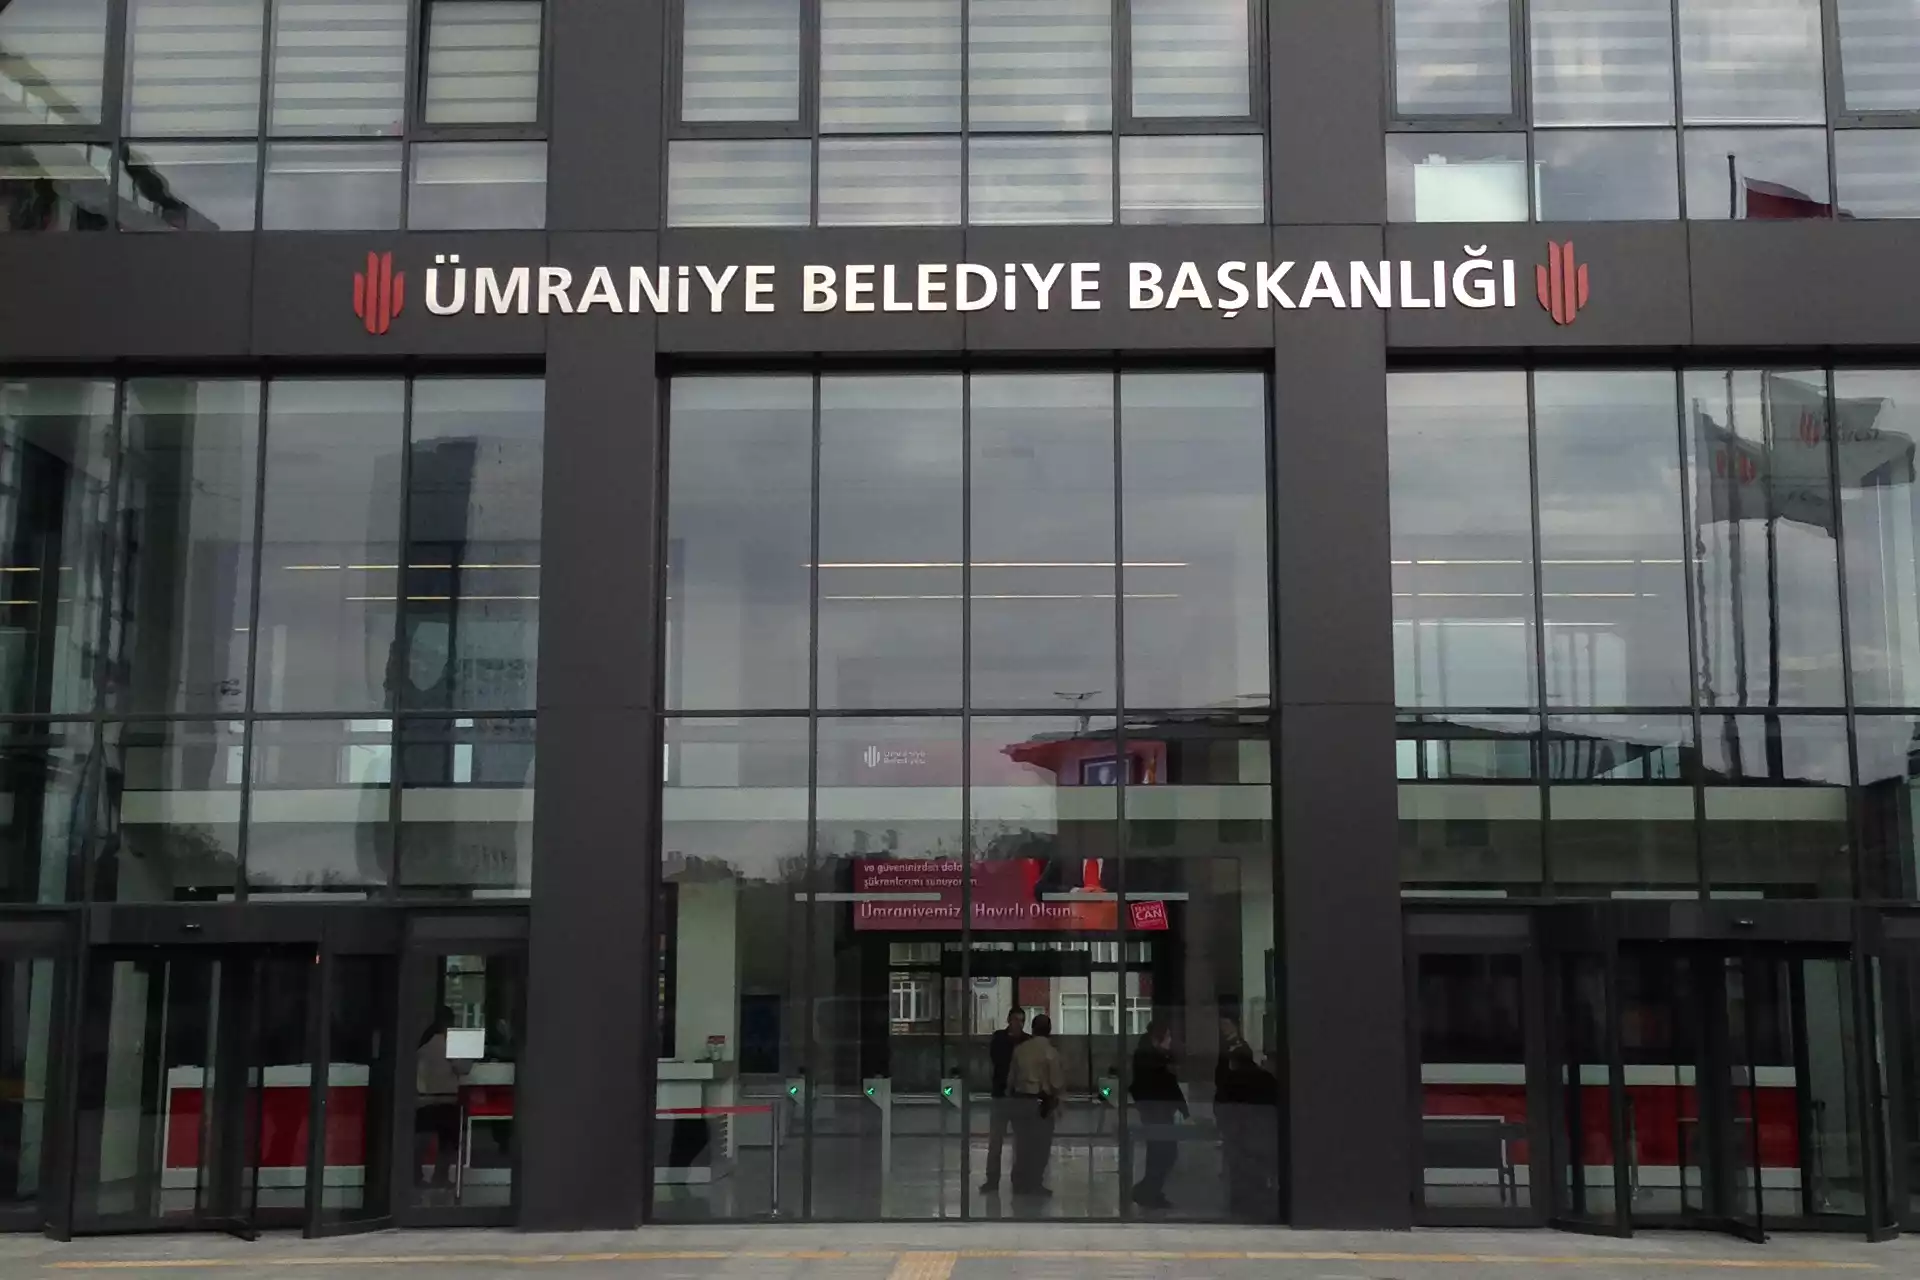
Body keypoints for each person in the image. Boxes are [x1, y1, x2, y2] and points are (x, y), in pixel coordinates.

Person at [1214, 1019, 1279, 1220]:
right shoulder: (1266, 1079)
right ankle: (1259, 1204)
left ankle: (1241, 1205)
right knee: (1259, 1172)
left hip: (1239, 1136)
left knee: (1240, 1173)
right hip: (1262, 1136)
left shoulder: (1231, 1080)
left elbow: (1221, 1105)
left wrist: (1225, 1128)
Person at [1129, 1018, 1188, 1209]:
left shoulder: (1154, 1057)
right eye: (1167, 1036)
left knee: (1161, 1153)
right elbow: (1167, 1086)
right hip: (1156, 1112)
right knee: (1163, 1153)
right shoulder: (1151, 1059)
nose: (1170, 1040)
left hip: (1157, 1111)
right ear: (1157, 1038)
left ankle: (1150, 1190)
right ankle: (1147, 1191)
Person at [1007, 1012, 1065, 1196]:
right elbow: (1056, 1083)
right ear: (1049, 1030)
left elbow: (1010, 1080)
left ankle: (1019, 1181)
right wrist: (1058, 1104)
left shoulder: (1020, 1049)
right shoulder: (1051, 1053)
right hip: (1041, 1103)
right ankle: (1034, 1183)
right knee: (1040, 1146)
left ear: (1032, 1029)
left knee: (1022, 1144)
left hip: (1020, 1100)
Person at [415, 1007, 469, 1190]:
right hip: (447, 1100)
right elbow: (464, 1068)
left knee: (422, 1141)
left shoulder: (424, 1045)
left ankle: (416, 1177)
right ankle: (441, 1177)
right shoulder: (450, 1045)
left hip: (424, 1100)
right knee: (447, 1144)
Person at [980, 1006, 1028, 1192]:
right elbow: (998, 1060)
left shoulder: (1025, 1041)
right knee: (995, 1141)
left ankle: (1019, 1179)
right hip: (1001, 1094)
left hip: (1018, 1095)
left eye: (1022, 1021)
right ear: (1009, 1020)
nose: (1019, 1024)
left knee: (1020, 1142)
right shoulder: (1000, 1038)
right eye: (1016, 1020)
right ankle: (992, 1179)